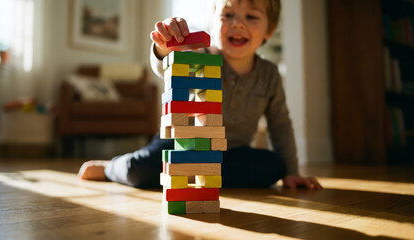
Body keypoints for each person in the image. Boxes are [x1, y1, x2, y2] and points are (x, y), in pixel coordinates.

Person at [78, 0, 322, 190]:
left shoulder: (269, 75)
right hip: (179, 144)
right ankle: (112, 168)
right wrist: (164, 48)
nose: (237, 23)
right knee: (139, 171)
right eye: (227, 15)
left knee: (273, 167)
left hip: (230, 152)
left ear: (270, 30)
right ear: (212, 23)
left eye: (251, 16)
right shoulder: (202, 55)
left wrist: (291, 171)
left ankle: (199, 174)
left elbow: (280, 123)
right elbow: (165, 66)